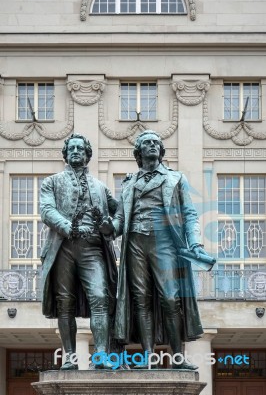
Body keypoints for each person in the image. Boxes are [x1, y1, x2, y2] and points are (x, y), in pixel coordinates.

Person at [100, 130, 212, 370]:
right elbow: (121, 217)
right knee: (141, 300)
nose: (151, 145)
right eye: (146, 143)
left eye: (155, 143)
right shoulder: (129, 183)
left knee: (170, 299)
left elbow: (190, 214)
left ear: (161, 151)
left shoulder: (176, 178)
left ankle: (178, 357)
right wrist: (110, 227)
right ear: (138, 152)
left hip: (165, 242)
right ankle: (149, 356)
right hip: (135, 244)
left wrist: (195, 244)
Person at [40, 133, 118, 370]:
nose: (75, 151)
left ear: (87, 155)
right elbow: (46, 209)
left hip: (92, 249)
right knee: (65, 303)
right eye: (71, 148)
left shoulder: (101, 187)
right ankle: (70, 357)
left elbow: (118, 216)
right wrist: (66, 226)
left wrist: (110, 226)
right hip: (63, 246)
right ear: (65, 154)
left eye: (80, 149)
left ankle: (102, 354)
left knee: (100, 297)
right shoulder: (51, 182)